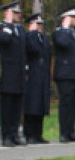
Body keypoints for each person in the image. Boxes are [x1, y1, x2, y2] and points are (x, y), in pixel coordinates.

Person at [52, 5, 75, 143]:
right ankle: (64, 132)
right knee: (65, 104)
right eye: (73, 17)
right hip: (65, 74)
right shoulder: (60, 33)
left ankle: (72, 131)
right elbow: (63, 44)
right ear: (65, 19)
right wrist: (65, 28)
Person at [0, 0, 26, 146]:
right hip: (8, 74)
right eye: (14, 13)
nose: (18, 15)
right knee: (8, 106)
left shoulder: (20, 29)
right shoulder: (3, 28)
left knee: (17, 106)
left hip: (19, 73)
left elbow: (23, 51)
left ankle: (15, 133)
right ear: (7, 13)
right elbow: (4, 40)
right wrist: (8, 24)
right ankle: (6, 135)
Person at [24, 13, 51, 144]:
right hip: (32, 75)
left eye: (41, 25)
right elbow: (33, 49)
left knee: (40, 105)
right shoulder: (29, 37)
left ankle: (38, 133)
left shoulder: (43, 38)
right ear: (31, 25)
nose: (39, 27)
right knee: (32, 105)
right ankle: (29, 133)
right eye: (37, 24)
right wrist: (32, 33)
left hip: (42, 75)